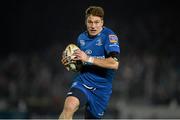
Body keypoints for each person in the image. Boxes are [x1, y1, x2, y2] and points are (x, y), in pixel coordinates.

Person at [59, 6, 120, 119]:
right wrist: (70, 62)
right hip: (83, 83)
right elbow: (80, 64)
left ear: (102, 22)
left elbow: (114, 64)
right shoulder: (81, 38)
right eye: (90, 22)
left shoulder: (109, 36)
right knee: (69, 107)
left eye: (97, 22)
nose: (93, 26)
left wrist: (88, 58)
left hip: (101, 90)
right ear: (86, 22)